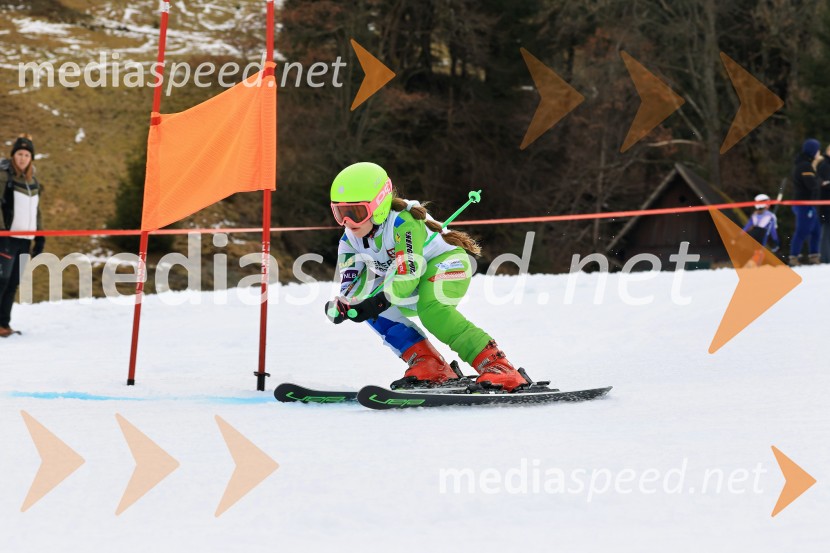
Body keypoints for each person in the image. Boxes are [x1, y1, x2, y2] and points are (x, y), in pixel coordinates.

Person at [324, 162, 530, 392]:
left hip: (447, 265)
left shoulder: (403, 222)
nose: (348, 222)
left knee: (432, 309)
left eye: (356, 213)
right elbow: (352, 286)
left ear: (379, 206)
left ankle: (498, 366)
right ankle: (429, 364)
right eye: (340, 213)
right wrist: (344, 305)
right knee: (366, 308)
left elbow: (408, 273)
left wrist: (380, 299)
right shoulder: (348, 241)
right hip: (405, 283)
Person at [0, 136, 45, 337]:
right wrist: (2, 233)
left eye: (27, 155)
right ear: (13, 156)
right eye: (19, 154)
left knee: (12, 284)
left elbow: (36, 211)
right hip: (7, 239)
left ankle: (3, 324)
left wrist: (40, 236)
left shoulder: (32, 182)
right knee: (2, 280)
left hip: (24, 241)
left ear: (31, 158)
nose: (23, 158)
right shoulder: (4, 177)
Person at [789, 138, 822, 266]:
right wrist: (820, 182)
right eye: (817, 150)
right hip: (803, 203)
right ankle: (793, 257)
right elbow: (812, 184)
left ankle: (814, 256)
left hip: (808, 204)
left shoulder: (806, 164)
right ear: (813, 151)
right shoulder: (805, 166)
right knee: (802, 231)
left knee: (816, 231)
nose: (819, 152)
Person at [741, 193, 779, 267]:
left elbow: (746, 227)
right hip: (761, 234)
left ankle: (752, 264)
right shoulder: (771, 216)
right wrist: (776, 242)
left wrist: (738, 236)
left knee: (755, 252)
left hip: (753, 233)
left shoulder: (754, 215)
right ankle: (753, 265)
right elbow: (773, 232)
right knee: (759, 252)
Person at [818, 144, 830, 263]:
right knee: (826, 231)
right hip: (825, 204)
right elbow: (823, 184)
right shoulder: (825, 165)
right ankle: (825, 258)